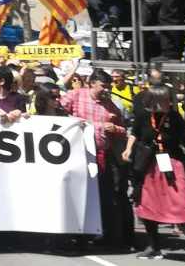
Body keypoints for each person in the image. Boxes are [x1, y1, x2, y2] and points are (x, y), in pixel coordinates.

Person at [125, 85, 185, 264]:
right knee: (148, 206)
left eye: (169, 99)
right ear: (154, 101)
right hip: (149, 166)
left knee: (182, 205)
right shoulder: (143, 115)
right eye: (165, 100)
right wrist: (128, 149)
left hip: (173, 165)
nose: (169, 102)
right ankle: (154, 247)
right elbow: (135, 133)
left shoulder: (174, 117)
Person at [62, 69, 132, 251]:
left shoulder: (110, 104)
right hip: (78, 154)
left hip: (102, 156)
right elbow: (58, 115)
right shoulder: (75, 95)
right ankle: (78, 235)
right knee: (80, 195)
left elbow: (124, 130)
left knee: (103, 197)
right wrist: (81, 123)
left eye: (108, 87)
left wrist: (115, 129)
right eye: (103, 86)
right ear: (91, 83)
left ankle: (104, 233)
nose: (106, 90)